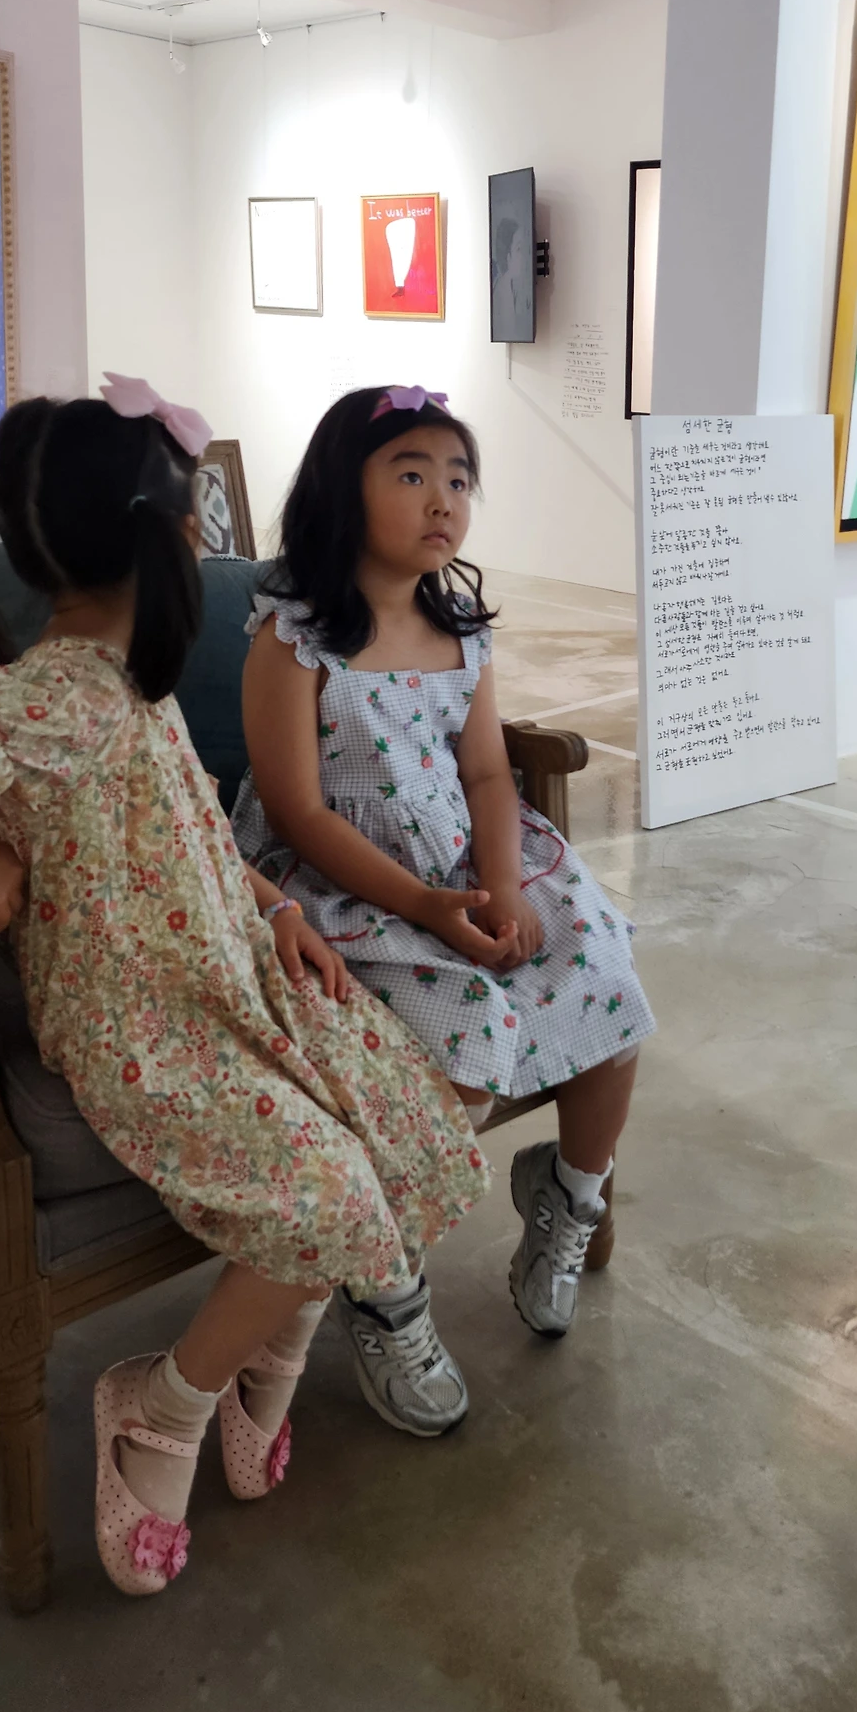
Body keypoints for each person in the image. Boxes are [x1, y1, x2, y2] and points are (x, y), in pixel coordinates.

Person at [0, 384, 487, 1600]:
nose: (204, 542)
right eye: (192, 521)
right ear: (163, 538)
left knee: (400, 1115)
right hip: (138, 1018)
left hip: (228, 975)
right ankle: (161, 1403)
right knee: (332, 1193)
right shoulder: (46, 696)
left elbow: (190, 832)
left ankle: (268, 1358)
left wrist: (278, 911)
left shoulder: (127, 687)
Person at [231, 385, 655, 1359]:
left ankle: (570, 1194)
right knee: (464, 1041)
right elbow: (296, 811)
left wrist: (500, 885)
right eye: (411, 474)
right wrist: (425, 903)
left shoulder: (461, 626)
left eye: (458, 480)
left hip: (467, 857)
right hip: (344, 882)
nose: (442, 500)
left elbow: (487, 772)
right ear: (342, 489)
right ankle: (384, 1282)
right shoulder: (293, 638)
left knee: (609, 985)